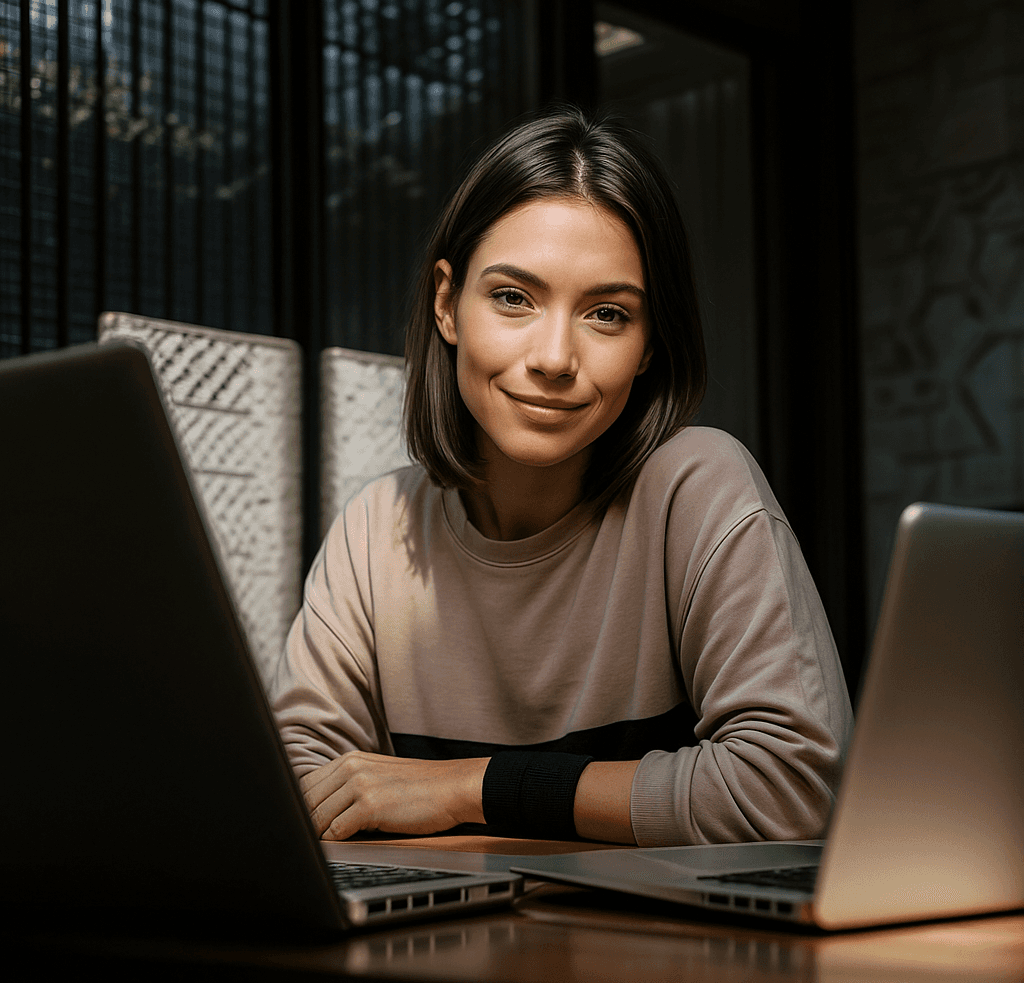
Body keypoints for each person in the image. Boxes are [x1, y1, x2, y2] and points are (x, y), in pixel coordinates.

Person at [270, 107, 854, 847]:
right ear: (448, 305)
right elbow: (288, 786)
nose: (554, 358)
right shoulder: (376, 528)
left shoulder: (696, 488)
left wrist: (471, 788)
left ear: (649, 345)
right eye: (513, 298)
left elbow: (794, 788)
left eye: (607, 314)